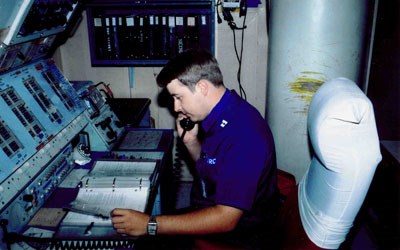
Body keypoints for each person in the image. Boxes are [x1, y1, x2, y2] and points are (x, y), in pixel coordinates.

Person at [111, 49, 280, 249]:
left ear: (202, 87)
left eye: (178, 97)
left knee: (141, 241)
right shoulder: (224, 113)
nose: (175, 107)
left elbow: (227, 219)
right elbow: (213, 168)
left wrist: (150, 225)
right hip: (210, 206)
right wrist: (191, 141)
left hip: (240, 235)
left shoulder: (244, 135)